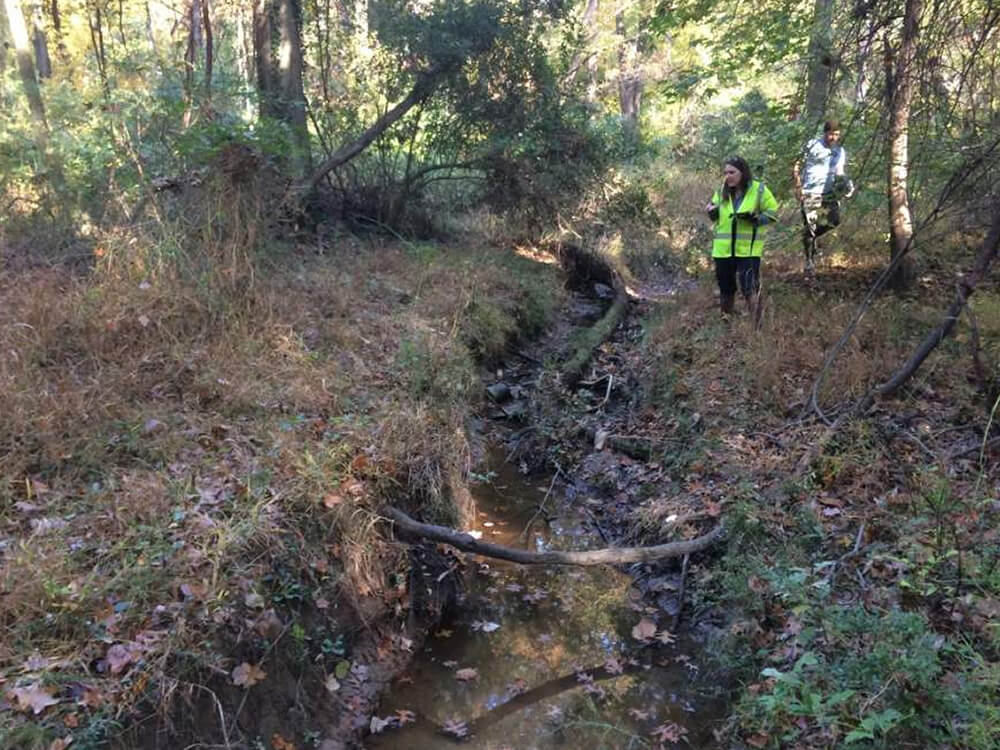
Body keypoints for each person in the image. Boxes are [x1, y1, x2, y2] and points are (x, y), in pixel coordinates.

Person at [705, 156, 778, 322]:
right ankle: (726, 325)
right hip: (723, 251)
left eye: (732, 172)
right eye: (725, 173)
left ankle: (757, 330)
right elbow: (716, 216)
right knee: (726, 291)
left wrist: (756, 219)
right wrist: (710, 211)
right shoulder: (721, 192)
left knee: (750, 289)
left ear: (743, 173)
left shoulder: (759, 190)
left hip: (748, 250)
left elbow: (773, 213)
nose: (728, 176)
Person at [793, 120, 853, 273]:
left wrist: (847, 185)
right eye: (831, 134)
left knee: (834, 221)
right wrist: (798, 185)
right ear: (825, 133)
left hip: (829, 194)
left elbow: (840, 173)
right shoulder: (812, 145)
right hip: (810, 192)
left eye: (837, 135)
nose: (833, 137)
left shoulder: (840, 151)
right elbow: (796, 164)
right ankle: (809, 261)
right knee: (810, 225)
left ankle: (811, 237)